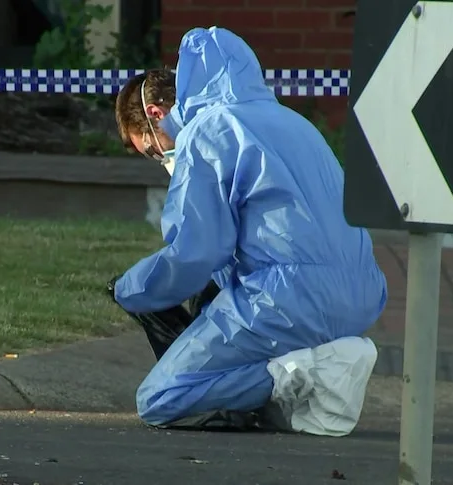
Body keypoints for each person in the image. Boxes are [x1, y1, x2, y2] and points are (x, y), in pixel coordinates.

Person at [105, 26, 388, 434]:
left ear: (155, 115)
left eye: (152, 149)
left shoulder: (208, 132)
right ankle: (322, 362)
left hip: (288, 299)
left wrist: (131, 288)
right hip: (362, 294)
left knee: (161, 398)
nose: (161, 157)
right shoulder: (291, 121)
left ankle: (315, 372)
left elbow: (197, 252)